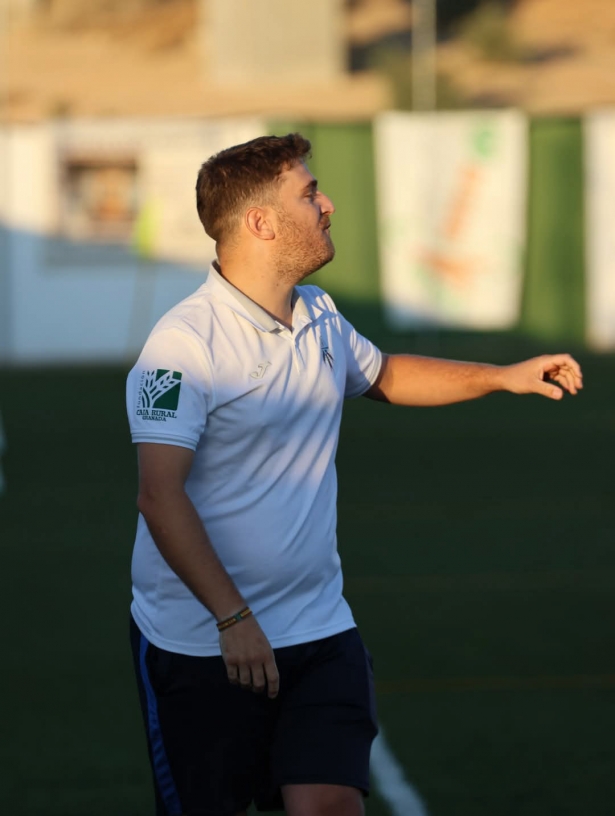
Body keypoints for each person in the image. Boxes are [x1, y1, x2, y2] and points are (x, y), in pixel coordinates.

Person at [126, 133, 583, 816]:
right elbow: (159, 497)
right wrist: (232, 617)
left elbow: (385, 374)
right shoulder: (181, 346)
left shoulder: (320, 316)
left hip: (318, 626)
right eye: (308, 193)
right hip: (201, 643)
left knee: (329, 805)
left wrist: (500, 377)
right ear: (260, 223)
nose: (328, 204)